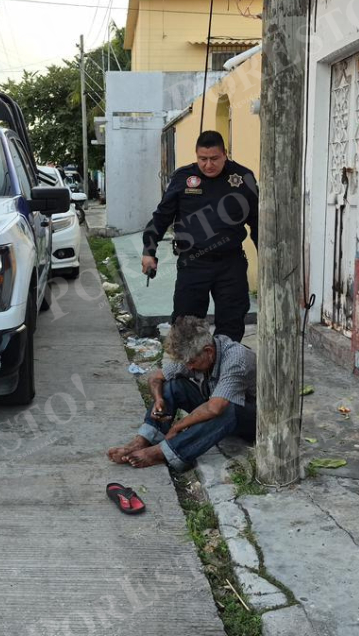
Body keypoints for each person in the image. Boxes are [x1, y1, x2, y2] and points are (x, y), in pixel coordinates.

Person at [141, 130, 258, 343]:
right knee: (186, 326)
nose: (208, 165)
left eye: (214, 158)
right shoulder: (183, 178)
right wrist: (149, 251)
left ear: (225, 154)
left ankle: (225, 363)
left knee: (231, 325)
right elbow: (162, 217)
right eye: (202, 159)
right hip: (193, 262)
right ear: (196, 155)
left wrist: (267, 258)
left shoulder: (243, 178)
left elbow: (257, 223)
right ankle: (190, 364)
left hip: (230, 264)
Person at [107, 317, 256, 470]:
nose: (189, 367)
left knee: (226, 407)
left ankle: (164, 452)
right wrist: (158, 399)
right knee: (172, 386)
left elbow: (214, 408)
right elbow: (155, 378)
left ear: (209, 352)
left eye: (191, 362)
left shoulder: (235, 359)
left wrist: (177, 427)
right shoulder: (195, 354)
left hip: (253, 421)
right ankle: (143, 440)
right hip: (218, 407)